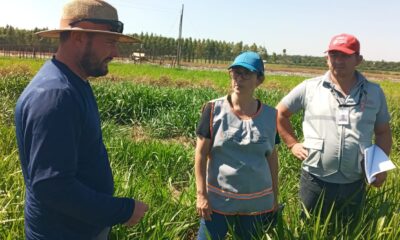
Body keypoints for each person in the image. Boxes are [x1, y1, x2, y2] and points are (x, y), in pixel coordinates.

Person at [14, 0, 148, 239]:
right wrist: (123, 210)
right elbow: (53, 187)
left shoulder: (72, 82)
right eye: (110, 42)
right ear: (79, 37)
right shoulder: (57, 95)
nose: (116, 53)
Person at [276, 33, 392, 220]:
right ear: (326, 59)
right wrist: (292, 144)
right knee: (308, 229)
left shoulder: (374, 92)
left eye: (345, 55)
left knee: (349, 230)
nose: (338, 60)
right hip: (314, 179)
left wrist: (378, 168)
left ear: (358, 59)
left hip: (354, 181)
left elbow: (383, 132)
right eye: (333, 55)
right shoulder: (309, 88)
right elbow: (279, 113)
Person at [195, 51, 280, 240]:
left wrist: (275, 195)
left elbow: (272, 157)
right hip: (218, 202)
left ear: (259, 80)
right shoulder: (213, 110)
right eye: (235, 73)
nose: (238, 79)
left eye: (246, 74)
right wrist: (201, 195)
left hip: (256, 204)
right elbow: (200, 155)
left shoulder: (270, 116)